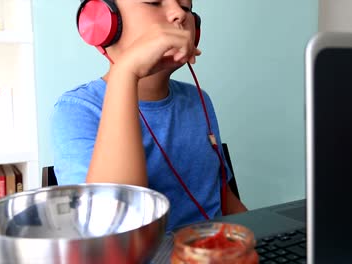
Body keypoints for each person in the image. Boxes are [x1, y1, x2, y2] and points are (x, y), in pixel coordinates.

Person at [52, 0, 247, 232]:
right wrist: (126, 72)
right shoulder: (77, 109)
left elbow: (221, 197)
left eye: (186, 7)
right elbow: (110, 227)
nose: (179, 14)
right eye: (154, 2)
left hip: (213, 251)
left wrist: (265, 238)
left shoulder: (198, 101)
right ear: (105, 21)